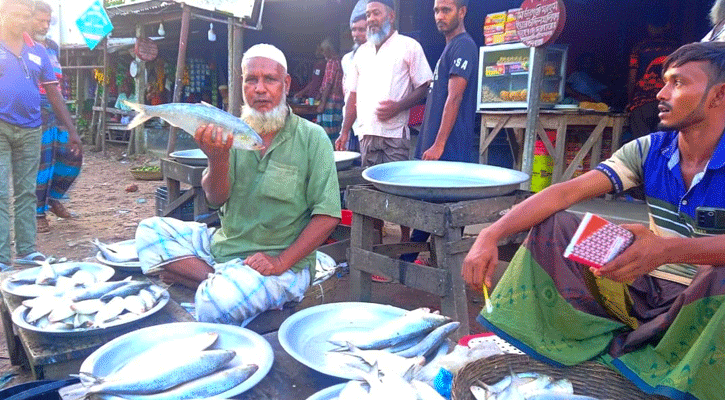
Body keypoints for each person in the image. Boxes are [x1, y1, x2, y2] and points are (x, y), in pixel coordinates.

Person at [462, 42, 725, 400]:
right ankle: (570, 348)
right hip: (643, 292)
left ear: (718, 95)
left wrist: (666, 250)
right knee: (556, 227)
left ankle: (678, 377)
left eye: (678, 83)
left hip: (705, 309)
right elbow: (563, 194)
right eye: (664, 82)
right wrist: (490, 235)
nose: (661, 94)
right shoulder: (650, 149)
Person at [135, 44, 341, 327]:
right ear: (241, 84)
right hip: (225, 246)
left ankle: (206, 280)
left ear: (286, 83)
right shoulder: (229, 131)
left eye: (270, 79)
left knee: (213, 304)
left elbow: (328, 215)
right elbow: (216, 199)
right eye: (251, 80)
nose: (260, 89)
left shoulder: (312, 138)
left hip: (282, 263)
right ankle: (218, 278)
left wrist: (279, 262)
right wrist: (217, 159)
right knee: (148, 231)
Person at [0, 0, 80, 269]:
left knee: (26, 192)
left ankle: (26, 250)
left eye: (26, 15)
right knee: (0, 193)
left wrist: (71, 128)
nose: (22, 20)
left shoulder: (39, 51)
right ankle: (1, 258)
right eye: (16, 15)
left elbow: (53, 92)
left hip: (32, 128)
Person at [400, 0, 477, 264]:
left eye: (446, 10)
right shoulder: (449, 48)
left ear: (462, 12)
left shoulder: (464, 45)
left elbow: (454, 99)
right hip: (435, 147)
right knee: (429, 207)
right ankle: (413, 262)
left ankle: (410, 262)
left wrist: (439, 145)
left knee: (438, 209)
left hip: (449, 149)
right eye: (436, 10)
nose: (439, 16)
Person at [335, 0, 432, 167]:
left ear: (391, 16)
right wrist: (344, 131)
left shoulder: (408, 46)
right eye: (368, 15)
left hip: (394, 136)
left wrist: (398, 106)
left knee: (395, 185)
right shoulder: (362, 53)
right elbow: (352, 96)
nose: (371, 18)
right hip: (366, 134)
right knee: (370, 186)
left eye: (376, 13)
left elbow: (424, 86)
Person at [31, 1, 83, 234]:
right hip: (33, 108)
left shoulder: (52, 46)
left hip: (56, 105)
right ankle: (37, 212)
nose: (44, 26)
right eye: (39, 20)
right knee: (43, 161)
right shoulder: (20, 45)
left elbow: (56, 82)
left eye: (47, 21)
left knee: (72, 155)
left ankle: (52, 198)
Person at [626, 9, 678, 139]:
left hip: (642, 103)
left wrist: (630, 101)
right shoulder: (676, 49)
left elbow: (632, 78)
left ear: (649, 26)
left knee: (642, 144)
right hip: (670, 102)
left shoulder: (639, 48)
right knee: (665, 143)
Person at [340, 10, 367, 153]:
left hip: (369, 126)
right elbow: (347, 91)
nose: (356, 34)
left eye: (362, 30)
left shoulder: (377, 57)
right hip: (351, 123)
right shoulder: (347, 59)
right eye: (354, 30)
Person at [315, 38, 344, 142]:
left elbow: (328, 84)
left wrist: (322, 103)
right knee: (335, 130)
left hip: (330, 102)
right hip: (339, 102)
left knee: (326, 133)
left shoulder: (332, 62)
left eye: (323, 50)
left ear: (328, 50)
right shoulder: (340, 61)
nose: (322, 53)